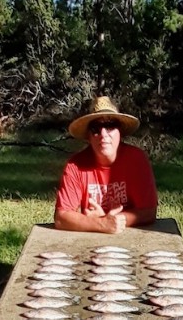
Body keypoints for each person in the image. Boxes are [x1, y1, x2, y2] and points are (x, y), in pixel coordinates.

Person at [54, 95, 158, 233]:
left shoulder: (136, 159)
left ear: (120, 132)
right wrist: (101, 224)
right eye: (96, 128)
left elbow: (149, 211)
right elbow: (61, 217)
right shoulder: (75, 165)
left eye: (110, 126)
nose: (103, 134)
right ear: (89, 137)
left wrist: (110, 220)